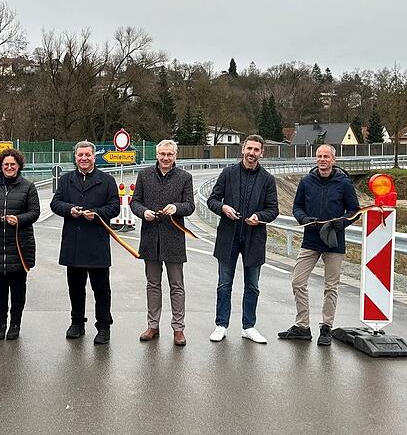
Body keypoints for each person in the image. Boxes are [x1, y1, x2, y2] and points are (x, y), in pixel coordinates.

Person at [279, 144, 360, 346]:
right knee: (298, 281)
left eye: (326, 156)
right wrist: (303, 218)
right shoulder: (306, 182)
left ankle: (326, 327)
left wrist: (343, 222)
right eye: (319, 156)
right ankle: (302, 326)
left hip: (334, 240)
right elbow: (297, 206)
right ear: (316, 159)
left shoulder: (344, 182)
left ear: (334, 159)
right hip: (311, 239)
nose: (322, 159)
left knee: (331, 286)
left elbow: (354, 210)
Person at [206, 135, 279, 344]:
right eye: (249, 149)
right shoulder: (228, 174)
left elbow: (273, 210)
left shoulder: (267, 179)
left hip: (254, 238)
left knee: (253, 286)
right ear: (242, 150)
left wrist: (260, 217)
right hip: (228, 237)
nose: (252, 153)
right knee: (224, 284)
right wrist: (223, 208)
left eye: (256, 149)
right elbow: (212, 200)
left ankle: (249, 326)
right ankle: (221, 325)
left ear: (261, 153)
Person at [50, 141, 120, 345]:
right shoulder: (65, 180)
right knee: (75, 288)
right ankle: (77, 323)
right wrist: (69, 209)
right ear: (75, 157)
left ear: (94, 156)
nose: (83, 158)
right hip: (73, 242)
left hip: (97, 242)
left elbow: (114, 207)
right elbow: (56, 203)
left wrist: (97, 214)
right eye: (80, 155)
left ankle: (104, 327)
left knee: (101, 289)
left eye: (87, 155)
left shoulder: (106, 180)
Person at [130, 139, 195, 346]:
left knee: (176, 285)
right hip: (150, 237)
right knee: (153, 284)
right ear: (156, 154)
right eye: (162, 154)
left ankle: (178, 328)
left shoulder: (185, 177)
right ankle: (153, 325)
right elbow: (135, 202)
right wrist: (143, 213)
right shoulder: (144, 175)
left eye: (170, 154)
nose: (166, 158)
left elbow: (190, 206)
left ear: (176, 156)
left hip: (174, 238)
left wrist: (177, 208)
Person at [0, 148, 40, 340]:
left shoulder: (28, 187)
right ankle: (0, 323)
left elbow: (34, 212)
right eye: (6, 165)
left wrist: (18, 219)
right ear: (1, 166)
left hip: (20, 247)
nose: (9, 167)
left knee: (18, 290)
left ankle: (15, 323)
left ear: (19, 165)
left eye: (12, 164)